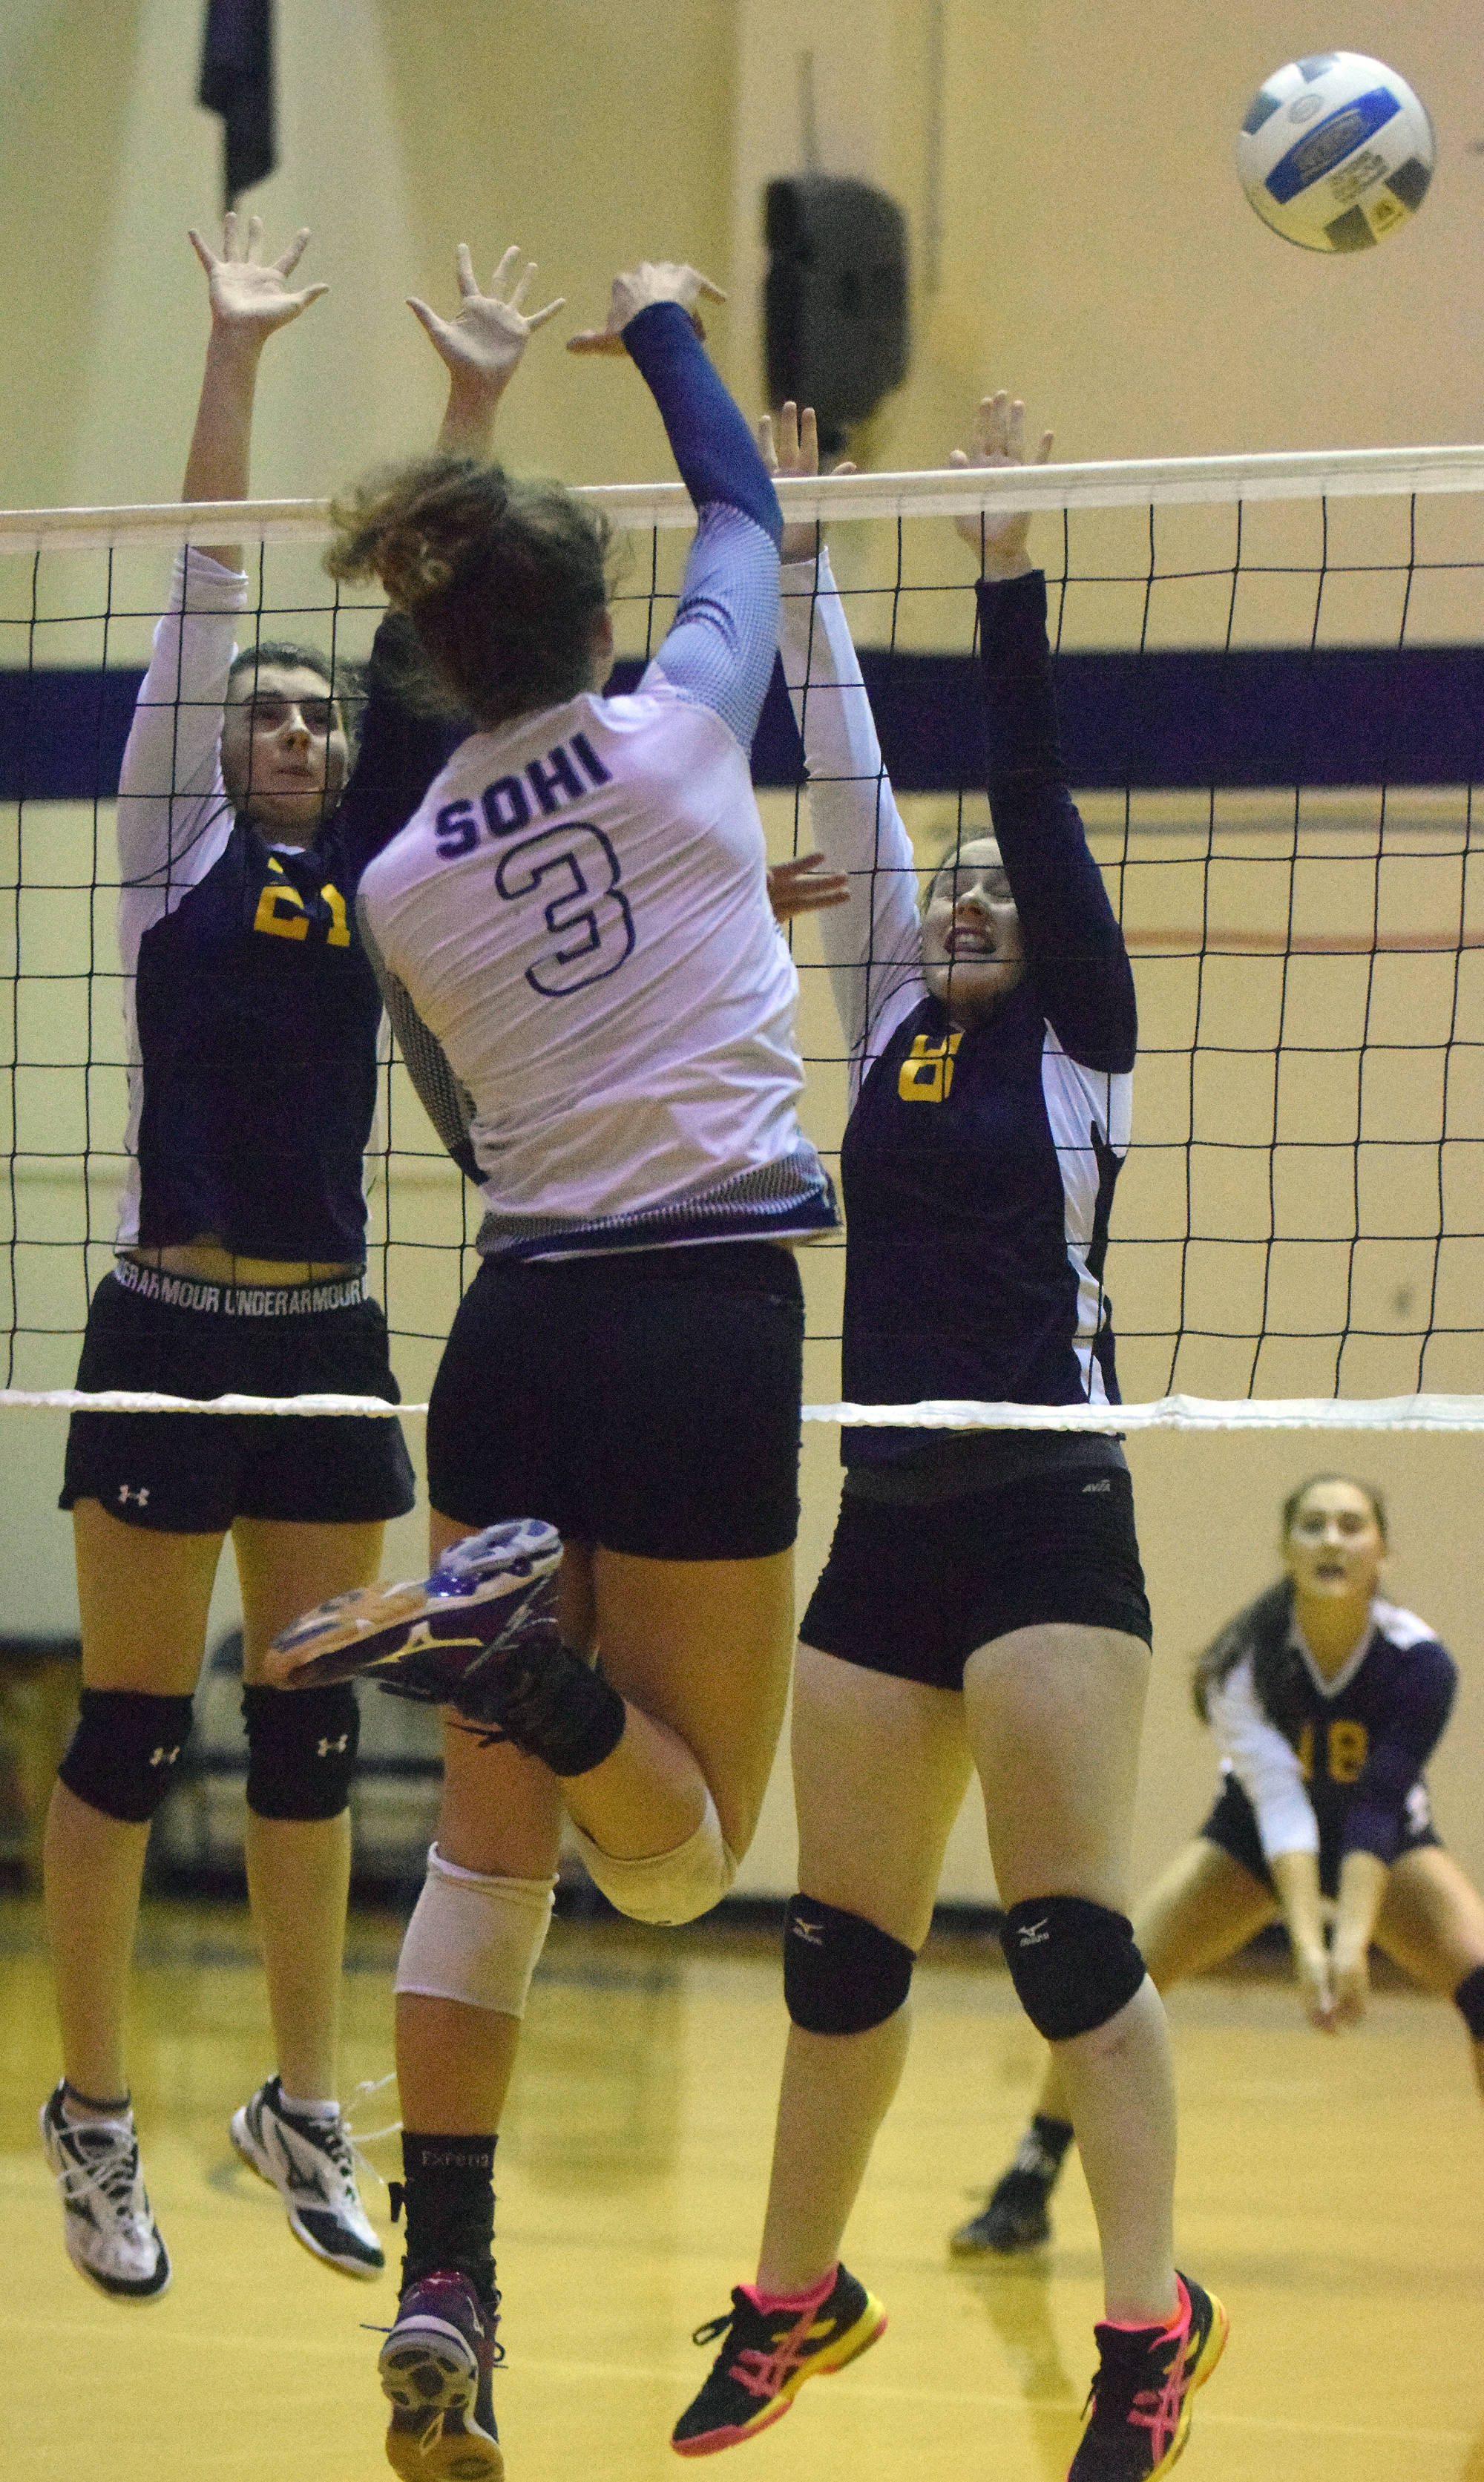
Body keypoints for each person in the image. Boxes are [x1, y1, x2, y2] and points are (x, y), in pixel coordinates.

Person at [265, 260, 835, 2481]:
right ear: (594, 631)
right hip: (702, 1316)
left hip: (515, 1330)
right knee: (680, 1863)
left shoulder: (401, 875)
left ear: (427, 643)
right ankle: (555, 1683)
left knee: (487, 1863)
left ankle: (448, 2273)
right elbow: (748, 519)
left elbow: (466, 1100)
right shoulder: (687, 740)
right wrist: (673, 322)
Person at [666, 398, 1223, 2482]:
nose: (970, 897)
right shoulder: (901, 1003)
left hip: (1049, 1519)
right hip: (883, 1524)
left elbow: (1026, 796)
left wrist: (1001, 573)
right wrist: (801, 549)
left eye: (1002, 891)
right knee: (837, 1953)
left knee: (1071, 1941)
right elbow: (860, 770)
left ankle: (1150, 2327)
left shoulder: (1079, 1040)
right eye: (954, 889)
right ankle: (798, 2297)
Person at [41, 214, 559, 2303]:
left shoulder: (372, 865)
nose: (292, 729)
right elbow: (215, 583)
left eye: (308, 724)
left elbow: (429, 648)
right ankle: (91, 2116)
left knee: (319, 1734)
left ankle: (299, 2098)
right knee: (129, 1734)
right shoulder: (174, 837)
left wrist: (474, 410)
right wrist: (234, 351)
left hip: (331, 1341)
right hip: (167, 1330)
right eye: (264, 714)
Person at [961, 1469, 1484, 2257]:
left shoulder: (1418, 1663)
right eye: (1312, 1525)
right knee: (1105, 1984)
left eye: (1350, 1525)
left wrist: (1349, 1949)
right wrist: (1310, 1953)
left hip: (1387, 1850)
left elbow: (1376, 1808)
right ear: (1284, 1547)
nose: (1331, 1540)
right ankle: (1028, 2180)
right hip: (1246, 1845)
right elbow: (1278, 1811)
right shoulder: (1241, 1660)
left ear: (1381, 1550)